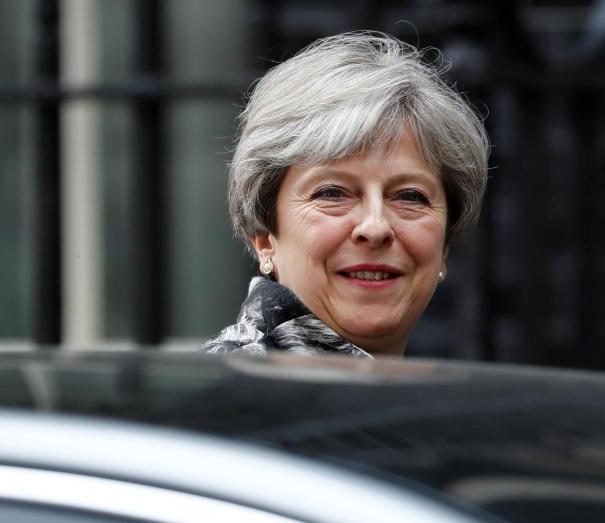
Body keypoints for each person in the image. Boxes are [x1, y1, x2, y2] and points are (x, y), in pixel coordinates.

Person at [202, 32, 489, 357]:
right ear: (265, 237)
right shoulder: (229, 396)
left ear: (445, 245)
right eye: (332, 193)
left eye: (410, 196)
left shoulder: (422, 402)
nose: (375, 227)